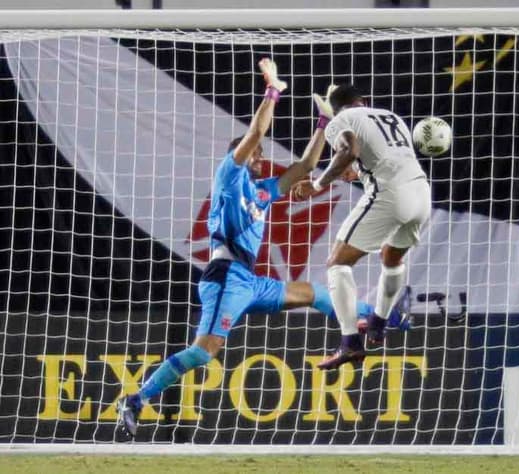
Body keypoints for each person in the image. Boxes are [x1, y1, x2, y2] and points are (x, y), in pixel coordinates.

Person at [116, 60, 411, 437]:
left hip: (249, 280)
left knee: (313, 293)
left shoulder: (262, 190)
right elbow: (256, 132)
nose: (258, 156)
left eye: (256, 155)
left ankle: (382, 316)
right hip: (223, 279)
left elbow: (305, 164)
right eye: (252, 154)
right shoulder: (228, 176)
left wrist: (323, 124)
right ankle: (137, 400)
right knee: (204, 352)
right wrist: (272, 90)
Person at [294, 84, 431, 370]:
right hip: (421, 194)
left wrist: (317, 185)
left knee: (337, 263)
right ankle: (378, 324)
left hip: (390, 195)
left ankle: (350, 344)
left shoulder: (341, 121)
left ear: (337, 109)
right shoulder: (390, 116)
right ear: (364, 101)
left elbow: (349, 149)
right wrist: (354, 171)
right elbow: (383, 157)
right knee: (392, 258)